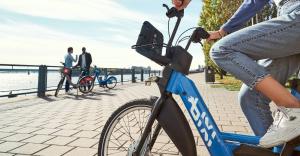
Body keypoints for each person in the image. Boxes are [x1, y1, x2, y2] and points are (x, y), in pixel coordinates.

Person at [173, 0, 300, 148]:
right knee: (250, 97)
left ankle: (293, 110)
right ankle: (282, 150)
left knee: (221, 50)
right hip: (289, 23)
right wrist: (223, 31)